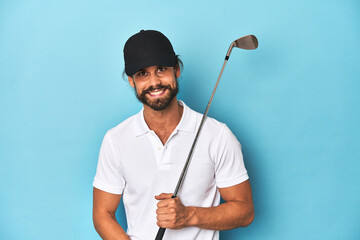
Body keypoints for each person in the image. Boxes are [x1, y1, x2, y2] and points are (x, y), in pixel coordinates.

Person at [92, 30, 254, 240]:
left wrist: (189, 215)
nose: (154, 82)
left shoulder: (218, 135)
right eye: (142, 73)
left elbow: (245, 211)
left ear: (176, 70)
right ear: (132, 81)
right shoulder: (116, 140)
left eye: (161, 69)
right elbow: (102, 214)